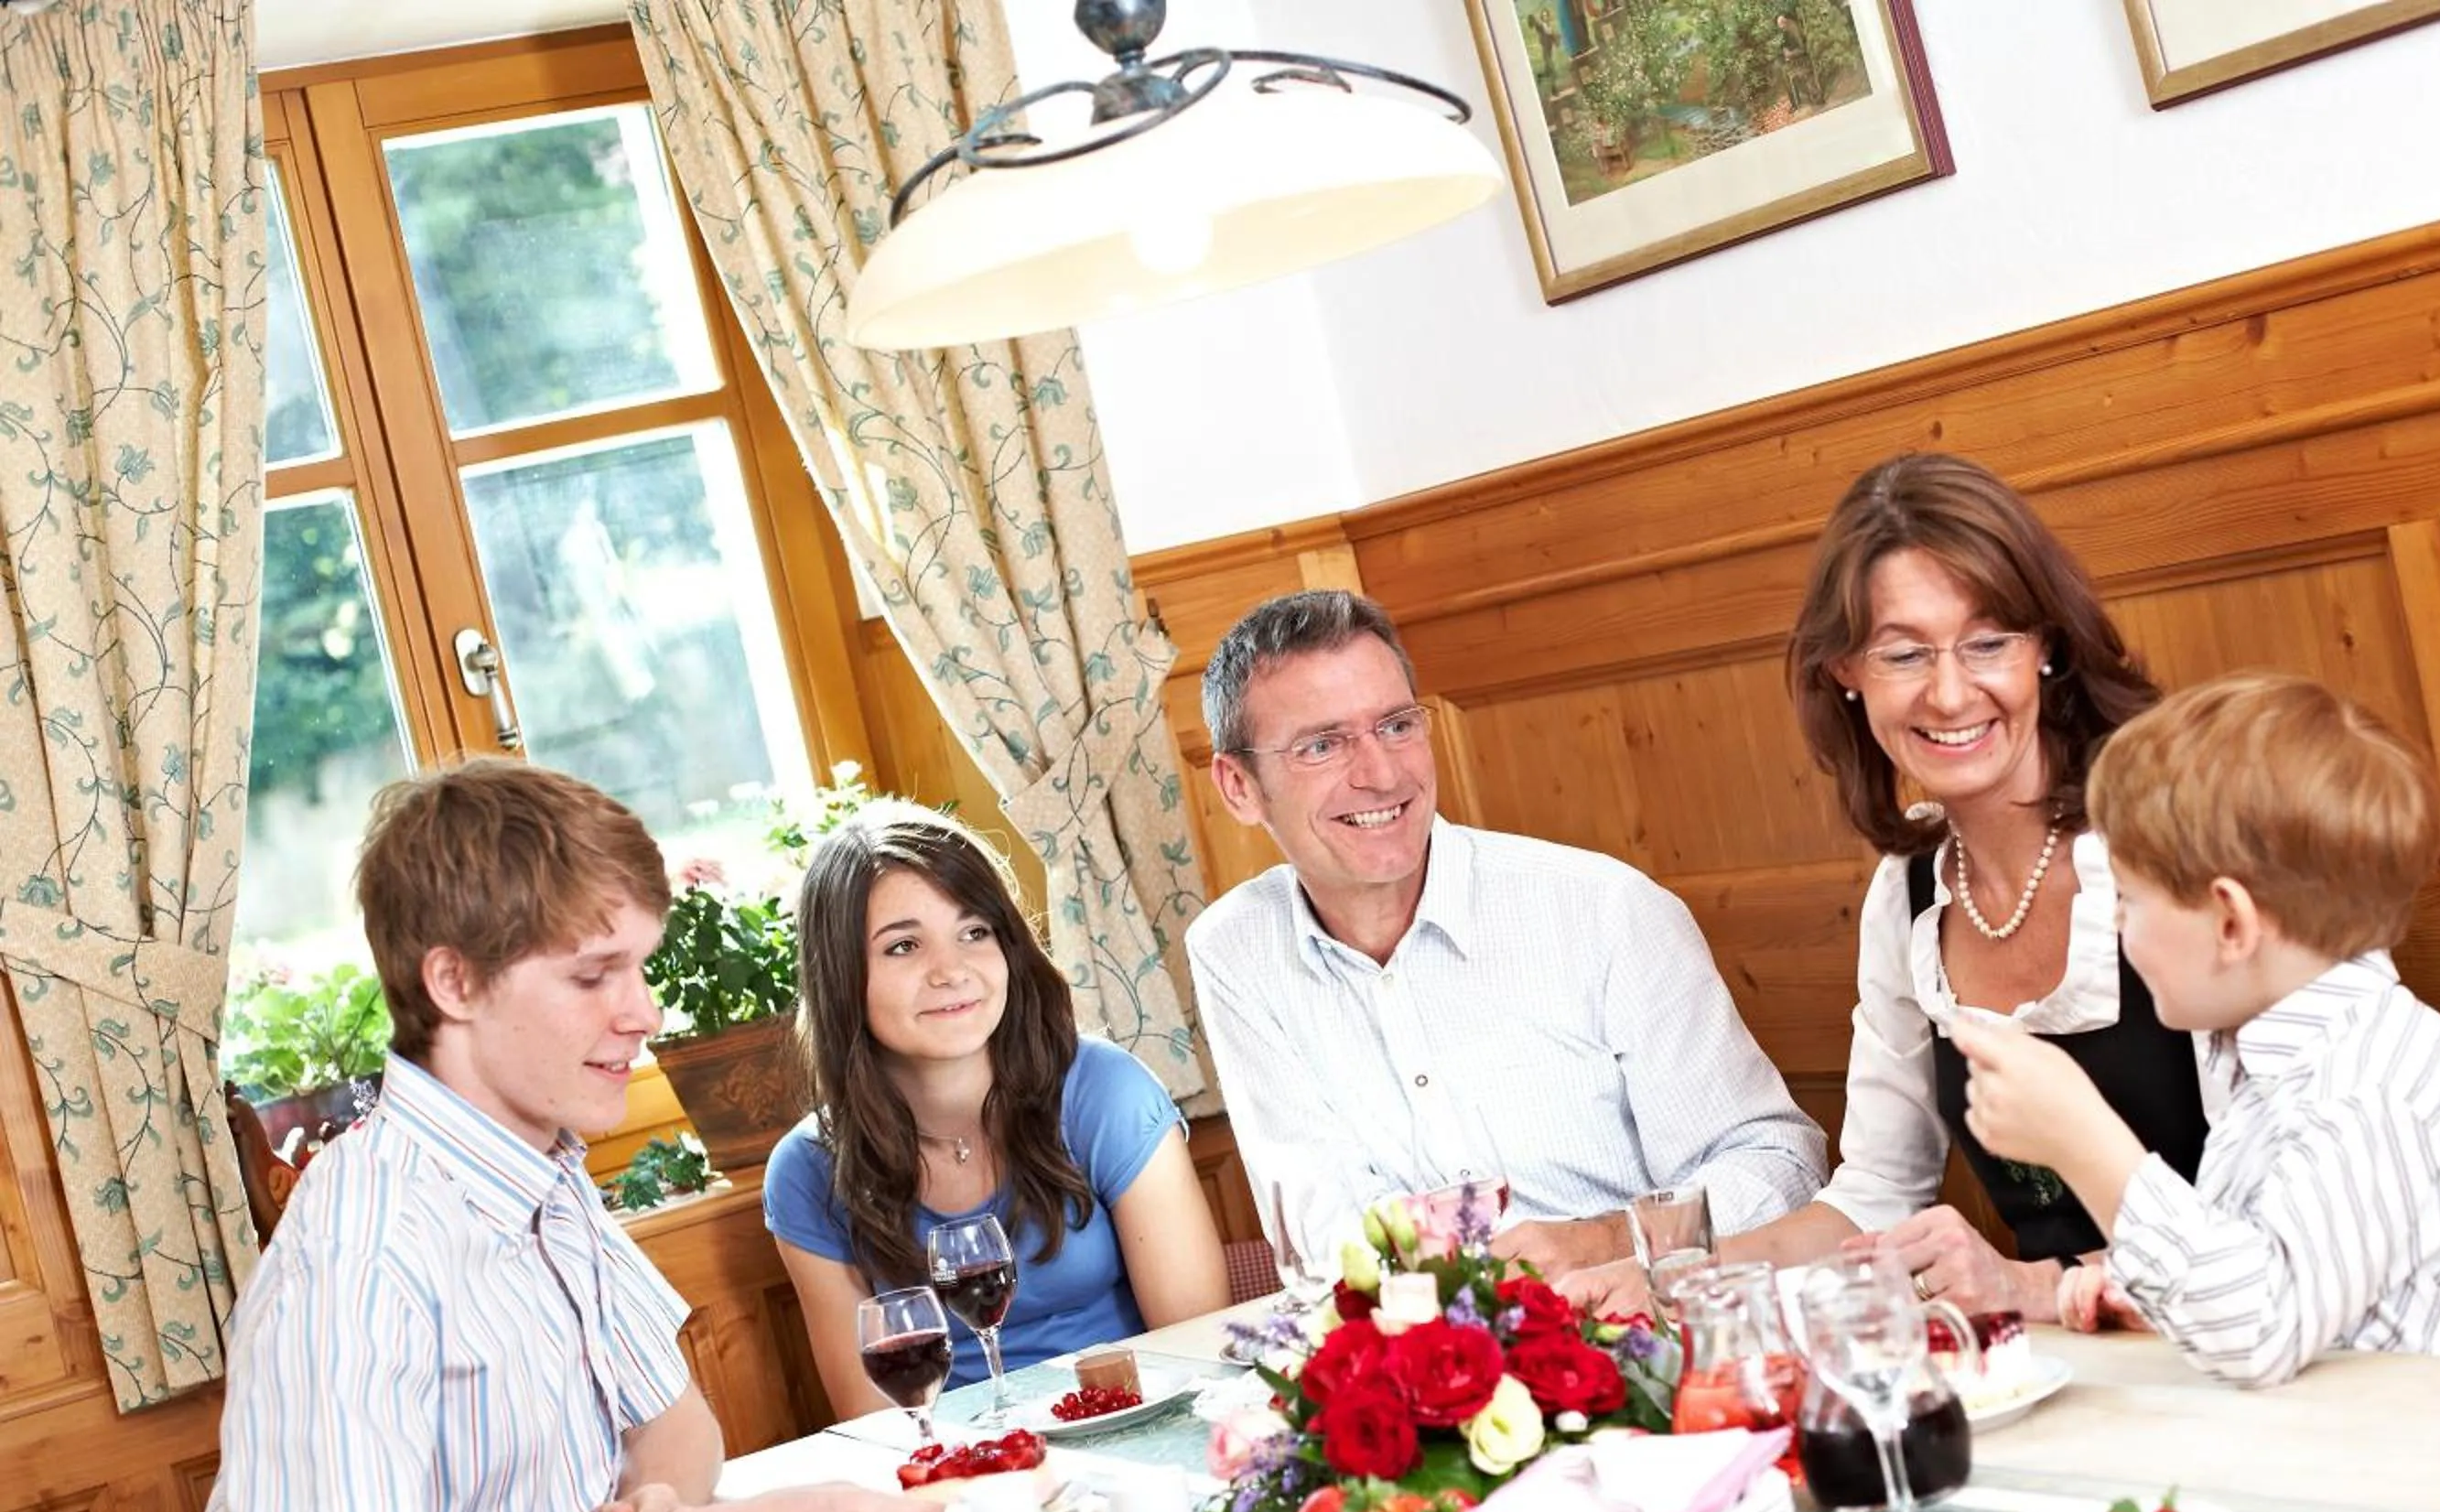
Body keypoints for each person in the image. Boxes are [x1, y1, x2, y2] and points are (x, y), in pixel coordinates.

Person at [165, 760, 1175, 1512]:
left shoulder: (545, 1183)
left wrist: (660, 1508)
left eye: (640, 967)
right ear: (454, 983)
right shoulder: (363, 1246)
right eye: (594, 975)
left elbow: (677, 1429)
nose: (643, 1012)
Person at [1580, 452, 2215, 1322]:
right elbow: (1876, 1191)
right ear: (1846, 672)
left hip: (2245, 1338)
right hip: (2076, 1361)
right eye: (1904, 653)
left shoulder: (2171, 836)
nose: (1952, 693)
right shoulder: (1910, 889)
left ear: (2048, 649)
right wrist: (1678, 1277)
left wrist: (2035, 1286)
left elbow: (2273, 1220)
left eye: (1989, 642)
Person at [1953, 674, 2440, 1386]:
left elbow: (2259, 1329)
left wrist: (2085, 1139)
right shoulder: (2278, 1060)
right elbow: (2296, 1272)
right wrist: (2155, 1293)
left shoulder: (2369, 1088)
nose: (2118, 923)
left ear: (2231, 922)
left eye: (2129, 898)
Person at [1184, 588, 1825, 1276]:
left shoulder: (1605, 909)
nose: (1380, 773)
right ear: (1239, 787)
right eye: (1322, 745)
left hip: (1660, 1325)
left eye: (1397, 725)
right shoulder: (1235, 950)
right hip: (1425, 1350)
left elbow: (1778, 1162)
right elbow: (1317, 1222)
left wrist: (1608, 1241)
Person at [763, 801, 1227, 1414]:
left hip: (1134, 1426)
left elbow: (1199, 1351)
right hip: (963, 1480)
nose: (951, 970)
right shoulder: (806, 1169)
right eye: (903, 947)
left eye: (975, 931)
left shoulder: (1106, 1093)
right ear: (841, 976)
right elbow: (874, 1418)